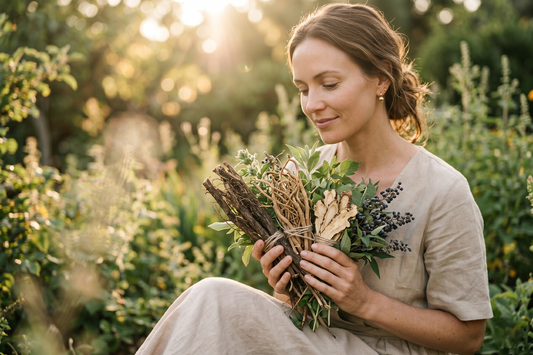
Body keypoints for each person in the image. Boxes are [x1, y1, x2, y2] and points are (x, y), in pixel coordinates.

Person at [136, 3, 492, 355]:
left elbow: (468, 337)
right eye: (303, 89)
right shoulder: (298, 177)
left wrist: (364, 301)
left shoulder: (443, 191)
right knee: (211, 299)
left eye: (329, 84)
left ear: (381, 78)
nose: (312, 104)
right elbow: (296, 315)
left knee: (214, 296)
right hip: (315, 343)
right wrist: (286, 286)